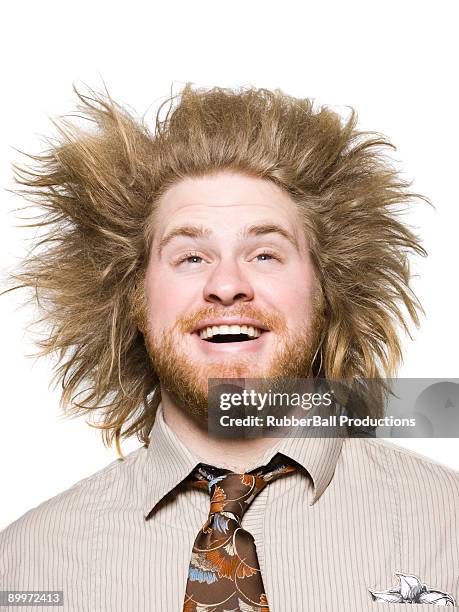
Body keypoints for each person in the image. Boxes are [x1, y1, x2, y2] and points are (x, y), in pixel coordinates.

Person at [0, 84, 457, 611]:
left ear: (327, 291)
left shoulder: (449, 527)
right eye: (190, 257)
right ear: (133, 301)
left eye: (265, 254)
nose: (226, 284)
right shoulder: (25, 566)